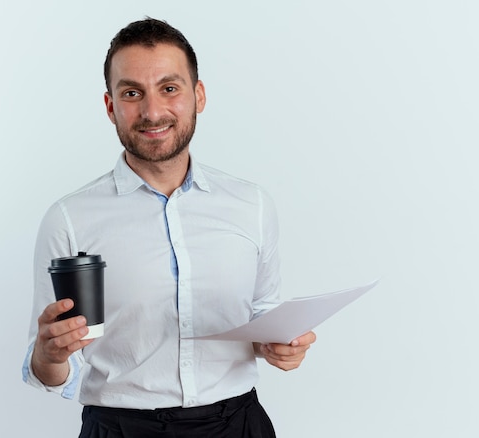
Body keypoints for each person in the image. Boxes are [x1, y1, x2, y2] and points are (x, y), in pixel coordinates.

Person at [23, 18, 316, 438]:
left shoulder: (251, 205)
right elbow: (49, 368)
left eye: (170, 88)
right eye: (131, 93)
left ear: (198, 95)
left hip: (238, 424)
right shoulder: (69, 219)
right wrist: (48, 355)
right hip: (121, 428)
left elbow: (262, 313)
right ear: (111, 107)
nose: (152, 111)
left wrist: (280, 345)